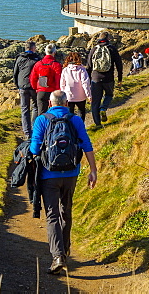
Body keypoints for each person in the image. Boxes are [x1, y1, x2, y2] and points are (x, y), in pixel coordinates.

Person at [30, 90, 97, 275]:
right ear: (66, 104)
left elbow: (34, 148)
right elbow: (87, 145)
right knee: (65, 211)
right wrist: (93, 170)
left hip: (48, 175)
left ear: (50, 104)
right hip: (70, 175)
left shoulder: (42, 120)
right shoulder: (75, 120)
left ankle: (57, 256)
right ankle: (65, 251)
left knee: (52, 215)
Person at [88, 32, 123, 127]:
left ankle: (97, 124)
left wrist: (88, 81)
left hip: (95, 79)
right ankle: (103, 108)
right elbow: (119, 65)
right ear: (108, 39)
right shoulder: (112, 49)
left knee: (95, 102)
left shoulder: (94, 49)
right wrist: (120, 79)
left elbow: (89, 66)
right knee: (109, 94)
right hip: (108, 78)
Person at [13, 39, 42, 137]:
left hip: (22, 86)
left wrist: (17, 85)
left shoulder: (19, 58)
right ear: (33, 48)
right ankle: (34, 128)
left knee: (24, 108)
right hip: (33, 86)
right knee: (35, 107)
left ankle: (27, 132)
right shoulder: (37, 59)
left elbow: (15, 73)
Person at [31, 43, 63, 119]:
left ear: (45, 52)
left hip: (41, 91)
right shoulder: (56, 65)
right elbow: (58, 79)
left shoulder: (38, 64)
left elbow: (33, 78)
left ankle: (41, 129)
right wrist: (58, 91)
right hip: (52, 92)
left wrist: (36, 88)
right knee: (54, 114)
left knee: (41, 114)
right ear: (54, 52)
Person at [60, 50, 92, 119]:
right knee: (81, 112)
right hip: (81, 96)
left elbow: (62, 84)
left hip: (69, 96)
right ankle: (80, 126)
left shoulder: (65, 70)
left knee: (69, 114)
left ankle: (71, 127)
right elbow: (85, 83)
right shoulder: (82, 70)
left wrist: (63, 95)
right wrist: (89, 95)